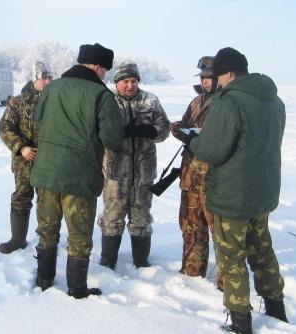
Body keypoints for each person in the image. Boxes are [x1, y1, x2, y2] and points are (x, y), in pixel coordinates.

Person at [182, 47, 288, 333]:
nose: (215, 81)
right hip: (263, 191)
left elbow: (213, 150)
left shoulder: (229, 102)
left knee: (232, 258)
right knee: (263, 251)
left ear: (229, 73)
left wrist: (191, 141)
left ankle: (241, 321)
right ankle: (277, 309)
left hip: (233, 194)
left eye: (218, 75)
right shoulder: (274, 100)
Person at [30, 43, 124, 299]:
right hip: (79, 177)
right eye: (104, 70)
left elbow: (39, 121)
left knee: (47, 229)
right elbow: (112, 137)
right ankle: (77, 289)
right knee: (79, 235)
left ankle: (44, 280)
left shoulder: (52, 89)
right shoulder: (101, 95)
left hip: (47, 173)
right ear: (96, 67)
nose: (105, 76)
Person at [97, 61, 170, 270]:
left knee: (142, 217)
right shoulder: (107, 101)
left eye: (134, 81)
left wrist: (150, 132)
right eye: (125, 81)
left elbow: (164, 128)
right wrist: (119, 132)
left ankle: (141, 260)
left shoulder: (151, 101)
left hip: (143, 172)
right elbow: (97, 131)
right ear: (117, 82)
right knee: (112, 216)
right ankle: (108, 260)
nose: (130, 85)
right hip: (114, 171)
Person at [169, 56, 223, 289]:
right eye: (203, 78)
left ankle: (227, 284)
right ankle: (191, 276)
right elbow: (186, 126)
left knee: (220, 232)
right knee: (191, 227)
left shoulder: (225, 103)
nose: (206, 82)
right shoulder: (195, 101)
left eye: (210, 77)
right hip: (191, 176)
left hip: (214, 179)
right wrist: (179, 129)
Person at [0, 61, 53, 254]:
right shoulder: (18, 102)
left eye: (49, 78)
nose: (47, 82)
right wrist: (21, 147)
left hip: (49, 162)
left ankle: (47, 240)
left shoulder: (56, 101)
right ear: (34, 79)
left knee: (48, 202)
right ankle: (17, 239)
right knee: (21, 197)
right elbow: (5, 127)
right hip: (24, 162)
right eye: (43, 78)